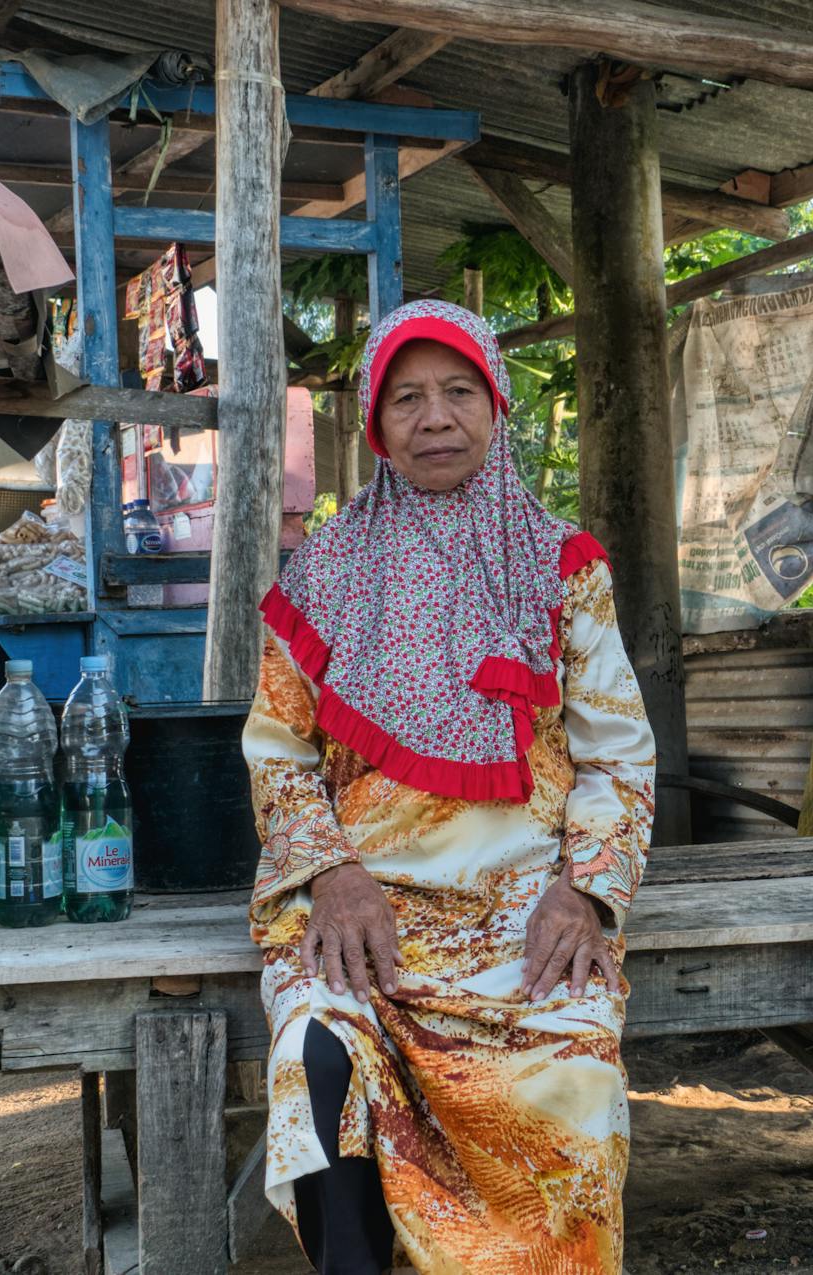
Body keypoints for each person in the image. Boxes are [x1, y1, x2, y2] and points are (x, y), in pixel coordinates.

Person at [245, 299, 656, 1274]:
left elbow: (617, 754)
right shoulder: (322, 574)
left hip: (524, 913)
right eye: (408, 398)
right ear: (377, 426)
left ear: (498, 404)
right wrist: (332, 874)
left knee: (571, 1084)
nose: (435, 417)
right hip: (360, 908)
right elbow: (277, 750)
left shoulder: (564, 568)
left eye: (459, 390)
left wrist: (586, 891)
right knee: (318, 1054)